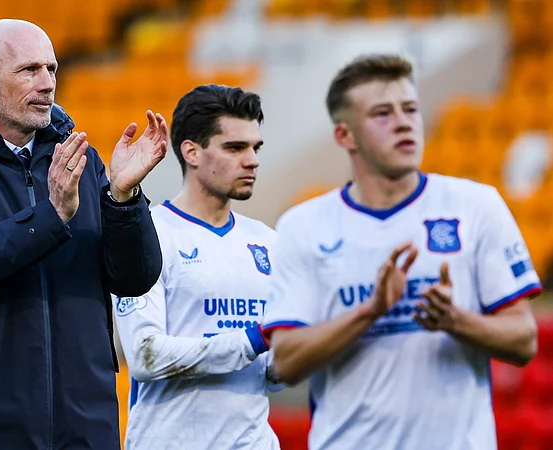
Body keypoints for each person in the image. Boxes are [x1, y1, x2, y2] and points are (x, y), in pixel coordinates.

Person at [0, 19, 166, 450]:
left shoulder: (80, 158)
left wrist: (123, 198)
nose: (47, 84)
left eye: (52, 69)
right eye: (29, 70)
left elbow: (135, 278)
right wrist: (51, 216)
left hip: (82, 423)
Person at [263, 53, 542, 450]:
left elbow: (524, 340)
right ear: (345, 136)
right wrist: (371, 310)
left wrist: (455, 320)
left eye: (410, 108)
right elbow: (286, 363)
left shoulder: (477, 206)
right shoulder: (303, 225)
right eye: (382, 113)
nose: (403, 121)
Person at [113, 84, 281, 449]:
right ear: (191, 151)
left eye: (256, 148)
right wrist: (254, 338)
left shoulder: (268, 242)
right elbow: (145, 356)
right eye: (235, 148)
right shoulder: (148, 234)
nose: (252, 160)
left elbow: (273, 372)